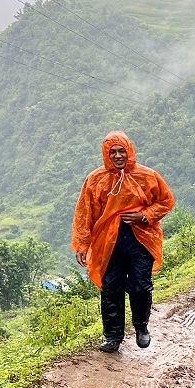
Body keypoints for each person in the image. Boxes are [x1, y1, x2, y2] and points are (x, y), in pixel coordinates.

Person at [72, 131, 175, 353]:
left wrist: (144, 215)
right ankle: (113, 336)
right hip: (108, 244)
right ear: (106, 154)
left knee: (140, 287)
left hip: (141, 240)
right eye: (113, 152)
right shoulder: (95, 179)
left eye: (121, 151)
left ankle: (141, 327)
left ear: (129, 151)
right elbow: (84, 213)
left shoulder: (147, 176)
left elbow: (166, 201)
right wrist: (82, 245)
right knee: (111, 288)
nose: (118, 156)